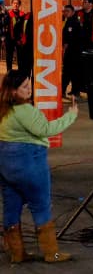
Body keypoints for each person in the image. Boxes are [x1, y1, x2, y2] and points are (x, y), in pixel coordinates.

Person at [0, 70, 80, 263]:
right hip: (30, 164)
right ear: (13, 91)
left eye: (30, 85)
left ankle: (16, 253)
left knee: (11, 207)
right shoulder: (25, 111)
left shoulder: (3, 110)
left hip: (6, 166)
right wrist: (71, 115)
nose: (30, 90)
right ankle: (51, 253)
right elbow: (46, 130)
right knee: (41, 205)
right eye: (25, 87)